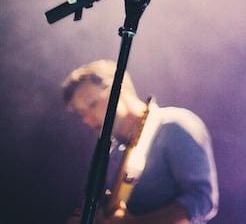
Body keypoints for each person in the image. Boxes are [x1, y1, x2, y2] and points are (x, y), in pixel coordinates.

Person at [63, 59, 219, 223]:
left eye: (92, 104)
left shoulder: (174, 125)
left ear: (119, 89)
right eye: (81, 113)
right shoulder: (110, 152)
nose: (86, 119)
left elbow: (202, 199)